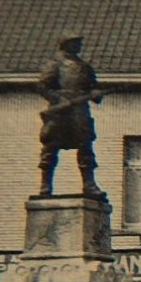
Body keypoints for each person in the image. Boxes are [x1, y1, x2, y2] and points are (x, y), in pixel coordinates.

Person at [37, 34, 105, 196]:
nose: (78, 46)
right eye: (75, 43)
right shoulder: (55, 64)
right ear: (65, 44)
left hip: (80, 111)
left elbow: (92, 88)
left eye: (79, 43)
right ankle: (45, 185)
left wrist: (95, 93)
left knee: (85, 147)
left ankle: (89, 184)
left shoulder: (85, 67)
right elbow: (41, 86)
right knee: (50, 148)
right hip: (60, 112)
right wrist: (59, 99)